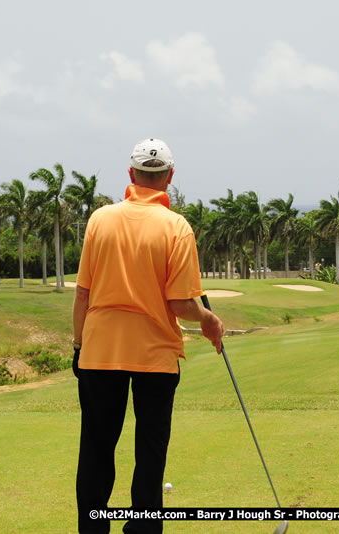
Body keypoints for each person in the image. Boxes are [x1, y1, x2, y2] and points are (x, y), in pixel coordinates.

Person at [72, 138, 224, 533]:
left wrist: (78, 345)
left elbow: (83, 293)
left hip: (99, 351)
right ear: (170, 177)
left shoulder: (99, 219)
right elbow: (180, 305)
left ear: (130, 174)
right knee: (150, 451)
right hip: (155, 355)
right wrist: (209, 319)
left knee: (96, 448)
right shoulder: (176, 227)